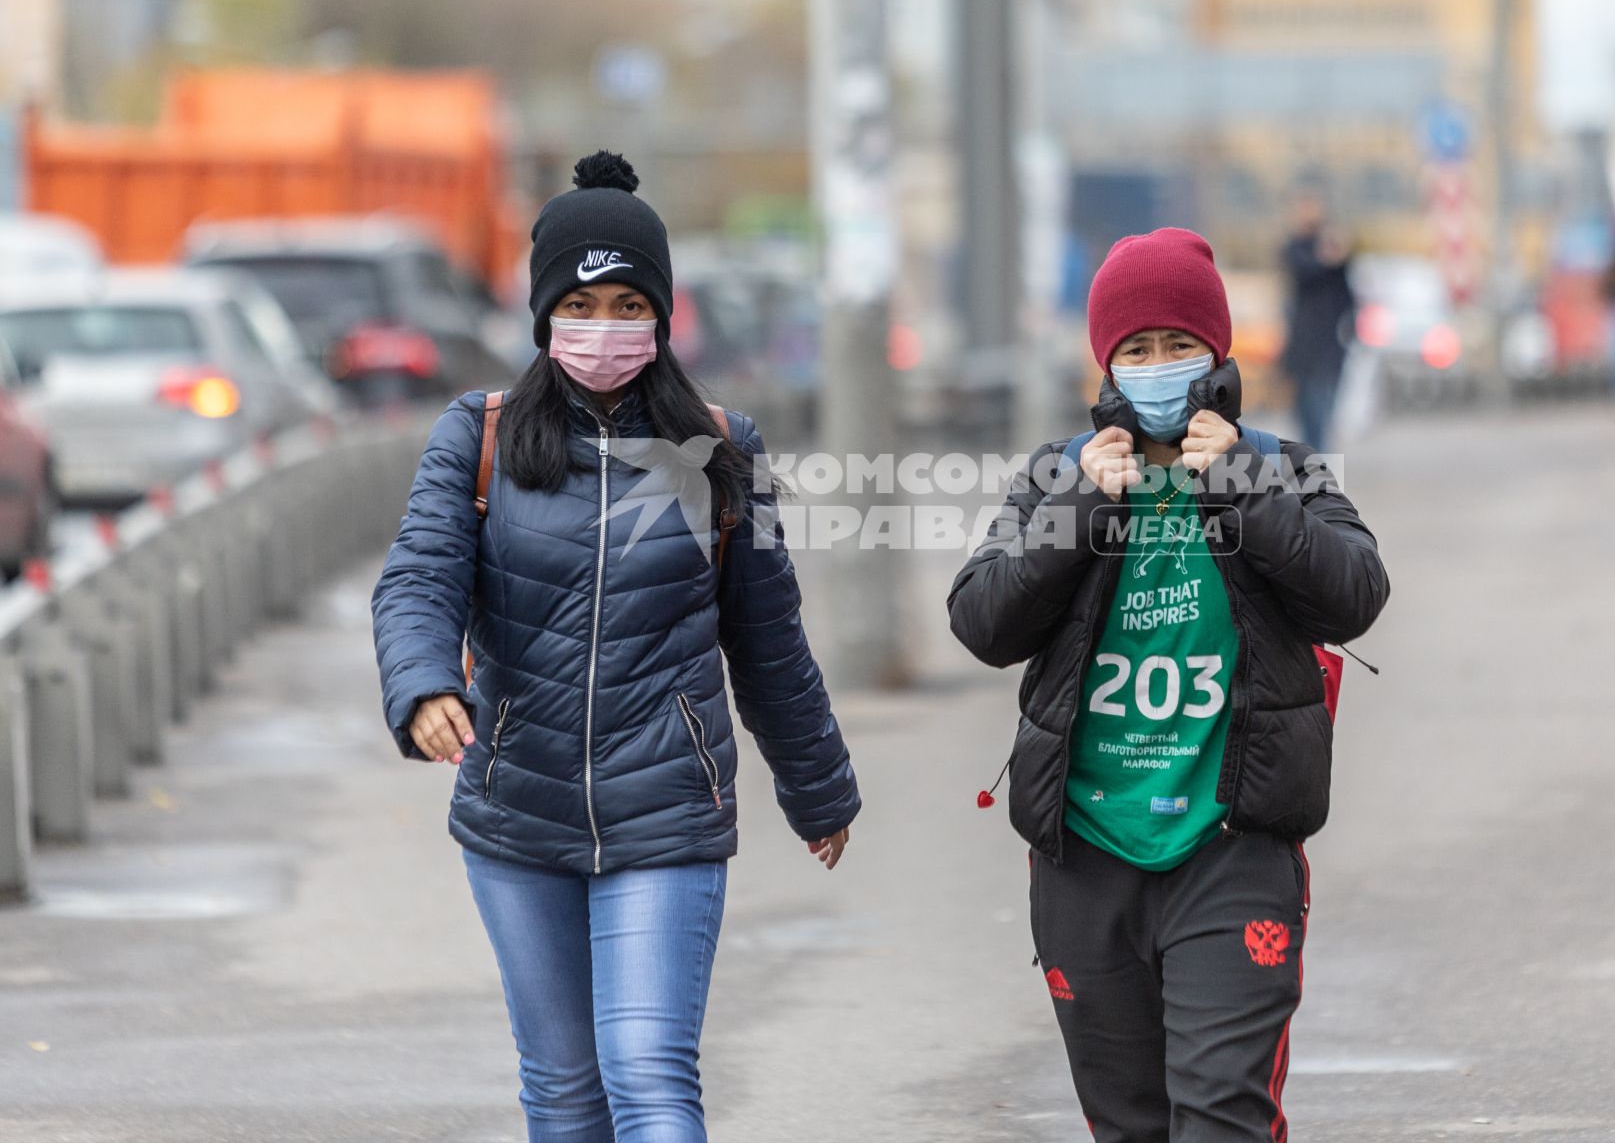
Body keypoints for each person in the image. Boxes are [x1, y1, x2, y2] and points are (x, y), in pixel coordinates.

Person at [371, 151, 859, 1143]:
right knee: (562, 1093)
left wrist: (819, 787)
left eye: (628, 300)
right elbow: (418, 577)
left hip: (668, 808)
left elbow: (767, 634)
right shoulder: (482, 437)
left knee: (649, 1076)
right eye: (582, 301)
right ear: (545, 311)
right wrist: (423, 685)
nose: (604, 325)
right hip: (519, 807)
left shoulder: (723, 448)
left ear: (662, 314)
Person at [949, 227, 1390, 1141]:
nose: (1159, 366)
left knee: (1221, 1114)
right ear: (1107, 365)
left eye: (1179, 346)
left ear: (1217, 353)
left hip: (1231, 847)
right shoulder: (1056, 475)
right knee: (1131, 1126)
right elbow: (983, 621)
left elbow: (1355, 593)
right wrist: (1078, 507)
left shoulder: (1280, 466)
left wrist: (1238, 486)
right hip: (1086, 853)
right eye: (1136, 350)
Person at [1279, 194, 1355, 451]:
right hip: (1303, 350)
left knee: (1322, 416)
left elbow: (1348, 297)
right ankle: (1310, 470)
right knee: (1305, 417)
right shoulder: (1296, 249)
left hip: (1328, 350)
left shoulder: (1334, 252)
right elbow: (1304, 271)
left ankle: (1317, 475)